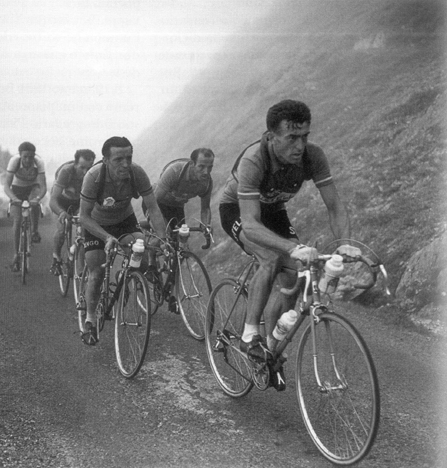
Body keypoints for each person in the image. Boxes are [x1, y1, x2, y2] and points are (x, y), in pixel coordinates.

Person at [218, 100, 360, 386]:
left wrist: (344, 242)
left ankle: (271, 345)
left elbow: (334, 206)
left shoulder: (313, 157)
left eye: (305, 136)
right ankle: (248, 335)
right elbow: (251, 224)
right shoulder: (253, 160)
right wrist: (291, 246)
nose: (300, 145)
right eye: (292, 137)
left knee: (296, 270)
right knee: (271, 258)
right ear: (271, 137)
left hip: (274, 210)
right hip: (238, 210)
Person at [79, 136, 167, 346]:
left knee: (143, 259)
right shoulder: (94, 177)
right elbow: (83, 217)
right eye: (118, 159)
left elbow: (153, 207)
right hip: (96, 225)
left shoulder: (136, 173)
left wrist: (162, 237)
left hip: (124, 220)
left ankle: (124, 275)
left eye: (129, 157)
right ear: (106, 160)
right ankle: (90, 320)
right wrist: (106, 237)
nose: (125, 164)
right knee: (97, 271)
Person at [48, 149, 96, 275]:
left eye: (89, 168)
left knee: (84, 230)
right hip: (62, 202)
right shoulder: (66, 172)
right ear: (75, 164)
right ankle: (56, 257)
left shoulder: (94, 173)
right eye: (82, 167)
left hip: (80, 202)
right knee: (63, 227)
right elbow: (53, 200)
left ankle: (79, 268)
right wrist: (61, 212)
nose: (85, 172)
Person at [4, 141, 47, 271]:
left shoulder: (39, 162)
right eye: (25, 157)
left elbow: (43, 187)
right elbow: (6, 186)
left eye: (31, 157)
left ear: (34, 155)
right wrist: (13, 198)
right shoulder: (14, 161)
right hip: (17, 188)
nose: (28, 160)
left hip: (33, 187)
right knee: (17, 221)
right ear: (20, 156)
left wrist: (38, 198)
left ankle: (34, 231)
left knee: (34, 203)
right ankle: (16, 253)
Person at [151, 148, 215, 233]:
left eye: (210, 167)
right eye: (201, 167)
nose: (206, 172)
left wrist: (206, 225)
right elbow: (153, 204)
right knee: (164, 235)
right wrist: (162, 227)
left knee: (181, 239)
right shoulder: (174, 171)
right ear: (192, 164)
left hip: (176, 206)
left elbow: (205, 208)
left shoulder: (206, 183)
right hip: (155, 202)